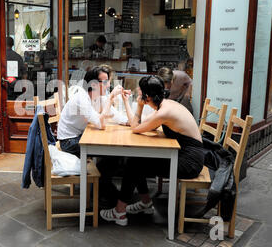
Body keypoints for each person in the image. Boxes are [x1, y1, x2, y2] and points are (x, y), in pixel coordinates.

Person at [100, 75, 204, 226]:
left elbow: (135, 127)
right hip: (183, 155)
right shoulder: (165, 105)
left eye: (140, 91)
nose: (137, 92)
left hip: (189, 163)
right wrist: (130, 103)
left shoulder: (164, 113)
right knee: (137, 159)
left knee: (134, 163)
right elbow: (138, 125)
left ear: (147, 97)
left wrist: (139, 106)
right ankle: (145, 203)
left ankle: (119, 212)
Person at [57, 66, 128, 204]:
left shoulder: (98, 97)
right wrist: (111, 98)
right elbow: (100, 124)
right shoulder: (82, 98)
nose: (108, 85)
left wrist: (129, 122)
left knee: (114, 154)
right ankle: (102, 190)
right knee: (112, 153)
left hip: (81, 135)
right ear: (93, 84)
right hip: (69, 141)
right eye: (105, 81)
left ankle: (100, 188)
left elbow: (114, 115)